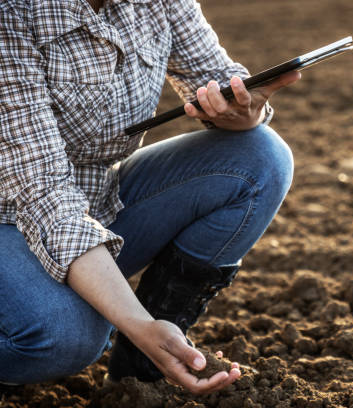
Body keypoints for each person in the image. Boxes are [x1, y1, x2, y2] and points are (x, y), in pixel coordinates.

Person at [0, 0, 300, 394]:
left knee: (260, 158)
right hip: (14, 210)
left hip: (96, 198)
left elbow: (216, 78)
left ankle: (145, 367)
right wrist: (137, 323)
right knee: (65, 337)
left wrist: (244, 110)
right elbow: (43, 195)